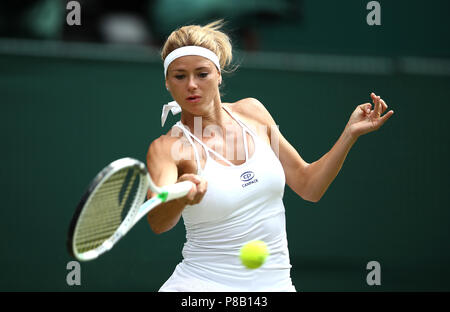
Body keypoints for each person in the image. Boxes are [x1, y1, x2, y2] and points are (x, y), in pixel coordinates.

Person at [146, 20, 394, 292]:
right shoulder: (168, 147)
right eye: (180, 76)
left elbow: (309, 185)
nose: (191, 85)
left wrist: (350, 134)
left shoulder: (253, 112)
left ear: (218, 74)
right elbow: (158, 221)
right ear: (168, 83)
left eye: (202, 74)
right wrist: (182, 198)